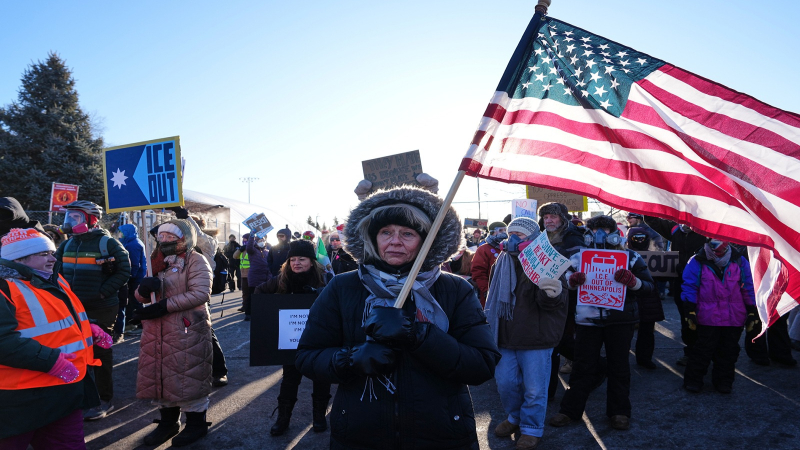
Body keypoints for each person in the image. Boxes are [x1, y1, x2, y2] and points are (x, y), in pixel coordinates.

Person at [296, 186, 501, 450]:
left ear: (426, 240)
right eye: (386, 232)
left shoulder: (455, 289)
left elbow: (482, 363)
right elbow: (308, 356)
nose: (394, 241)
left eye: (407, 233)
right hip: (360, 436)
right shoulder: (342, 287)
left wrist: (419, 335)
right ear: (372, 238)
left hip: (441, 434)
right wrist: (350, 359)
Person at [0, 228, 112, 449]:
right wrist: (51, 361)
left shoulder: (54, 279)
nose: (53, 258)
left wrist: (87, 327)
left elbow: (58, 317)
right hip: (18, 400)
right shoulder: (4, 288)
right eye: (44, 254)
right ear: (19, 258)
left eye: (52, 253)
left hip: (64, 391)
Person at [550, 215, 655, 431]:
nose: (600, 235)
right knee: (582, 365)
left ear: (615, 233)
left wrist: (633, 282)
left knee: (619, 365)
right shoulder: (577, 258)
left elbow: (649, 286)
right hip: (587, 320)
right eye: (596, 230)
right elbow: (561, 282)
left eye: (605, 230)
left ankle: (619, 411)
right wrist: (571, 281)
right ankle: (570, 410)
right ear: (588, 234)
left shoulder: (630, 257)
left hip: (620, 320)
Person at [486, 217, 568, 450]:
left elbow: (556, 302)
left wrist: (551, 294)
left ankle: (532, 428)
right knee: (505, 383)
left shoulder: (546, 261)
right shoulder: (501, 261)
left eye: (519, 235)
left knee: (534, 388)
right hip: (505, 335)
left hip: (536, 336)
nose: (512, 238)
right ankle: (515, 417)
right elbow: (493, 298)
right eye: (510, 233)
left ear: (533, 238)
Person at [133, 219, 213, 447]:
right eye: (162, 236)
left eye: (170, 236)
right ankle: (168, 422)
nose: (164, 240)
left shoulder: (195, 259)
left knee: (188, 374)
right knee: (162, 374)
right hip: (157, 329)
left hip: (186, 328)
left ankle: (196, 423)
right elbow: (142, 295)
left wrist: (165, 306)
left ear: (184, 238)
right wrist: (142, 291)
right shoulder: (156, 260)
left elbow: (201, 293)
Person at [53, 200, 131, 421]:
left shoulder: (108, 243)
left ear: (91, 219)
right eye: (68, 217)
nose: (69, 222)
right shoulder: (67, 244)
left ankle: (103, 400)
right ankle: (80, 396)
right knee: (75, 350)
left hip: (102, 307)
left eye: (75, 217)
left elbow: (125, 270)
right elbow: (55, 270)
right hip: (73, 307)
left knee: (99, 351)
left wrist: (102, 293)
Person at [253, 239, 331, 436]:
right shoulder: (282, 279)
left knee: (321, 377)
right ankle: (283, 418)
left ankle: (319, 416)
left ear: (312, 261)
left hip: (319, 340)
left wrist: (320, 293)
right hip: (291, 341)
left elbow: (338, 300)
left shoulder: (325, 278)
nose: (296, 263)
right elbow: (259, 292)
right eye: (293, 259)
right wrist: (273, 314)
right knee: (289, 379)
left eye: (302, 259)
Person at [681, 239, 757, 394]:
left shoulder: (739, 261)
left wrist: (752, 310)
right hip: (707, 316)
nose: (718, 249)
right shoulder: (697, 260)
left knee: (728, 351)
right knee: (702, 350)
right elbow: (690, 286)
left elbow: (748, 286)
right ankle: (693, 380)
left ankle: (724, 381)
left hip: (733, 316)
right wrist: (690, 310)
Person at [643, 215, 707, 365]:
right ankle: (690, 353)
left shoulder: (705, 229)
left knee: (705, 320)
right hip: (681, 283)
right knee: (687, 319)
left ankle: (706, 353)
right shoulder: (674, 228)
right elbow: (652, 220)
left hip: (704, 283)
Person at [537, 202, 585, 397]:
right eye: (546, 217)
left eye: (553, 216)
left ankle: (593, 367)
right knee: (553, 340)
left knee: (558, 340)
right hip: (547, 294)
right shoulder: (542, 236)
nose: (548, 220)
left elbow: (579, 267)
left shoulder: (572, 237)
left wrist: (558, 277)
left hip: (566, 295)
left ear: (562, 218)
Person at [626, 227, 666, 369]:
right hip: (629, 298)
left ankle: (645, 359)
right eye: (636, 238)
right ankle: (621, 359)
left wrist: (673, 269)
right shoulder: (624, 256)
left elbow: (663, 278)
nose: (639, 241)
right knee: (625, 332)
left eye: (642, 238)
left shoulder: (655, 257)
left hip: (649, 299)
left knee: (647, 332)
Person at [113, 224, 147, 344]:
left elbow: (134, 264)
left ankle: (141, 326)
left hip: (136, 278)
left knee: (136, 301)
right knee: (133, 301)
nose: (120, 234)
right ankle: (133, 324)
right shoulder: (131, 242)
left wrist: (129, 276)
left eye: (122, 232)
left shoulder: (133, 245)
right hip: (135, 277)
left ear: (127, 232)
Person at [471, 220, 508, 306]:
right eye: (500, 230)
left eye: (505, 230)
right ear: (492, 232)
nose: (504, 233)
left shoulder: (508, 247)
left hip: (507, 290)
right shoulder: (484, 249)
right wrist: (486, 290)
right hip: (491, 292)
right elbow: (478, 271)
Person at [244, 233, 270, 322]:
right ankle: (248, 314)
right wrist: (252, 236)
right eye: (259, 240)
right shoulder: (253, 251)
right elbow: (249, 247)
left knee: (263, 296)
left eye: (262, 240)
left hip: (265, 277)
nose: (261, 242)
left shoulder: (267, 252)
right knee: (252, 296)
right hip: (254, 277)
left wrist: (269, 277)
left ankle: (261, 312)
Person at [233, 233, 251, 314]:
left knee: (250, 292)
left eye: (245, 238)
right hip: (243, 274)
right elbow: (235, 256)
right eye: (243, 238)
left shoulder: (252, 249)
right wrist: (240, 249)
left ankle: (250, 307)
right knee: (245, 292)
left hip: (251, 274)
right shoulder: (243, 249)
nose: (243, 240)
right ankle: (244, 306)